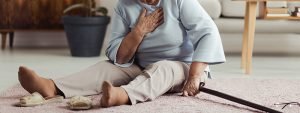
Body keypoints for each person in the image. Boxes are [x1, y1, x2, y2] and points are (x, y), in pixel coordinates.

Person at [18, 0, 225, 108]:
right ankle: (53, 87)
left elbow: (208, 32)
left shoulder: (179, 0)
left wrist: (196, 75)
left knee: (163, 68)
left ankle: (123, 95)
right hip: (139, 64)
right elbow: (117, 55)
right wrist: (138, 32)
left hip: (182, 67)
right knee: (105, 67)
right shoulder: (124, 5)